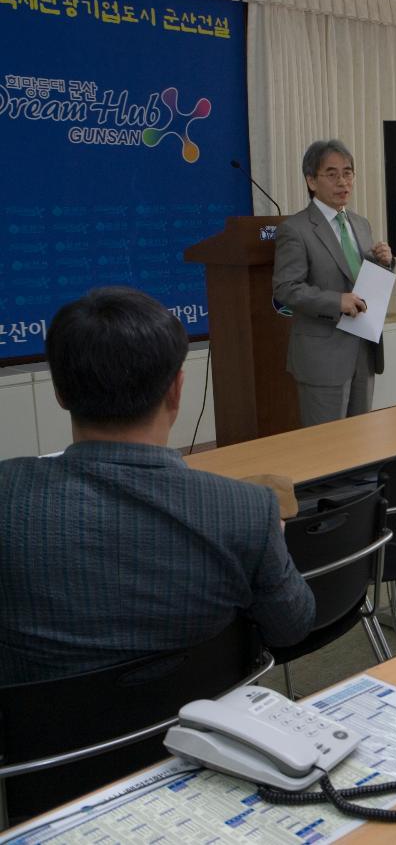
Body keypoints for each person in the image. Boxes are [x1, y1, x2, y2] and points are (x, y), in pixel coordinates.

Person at [0, 287, 315, 685]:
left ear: (60, 393)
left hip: (46, 745)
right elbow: (293, 628)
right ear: (176, 391)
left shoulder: (7, 496)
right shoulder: (248, 511)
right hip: (195, 734)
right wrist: (272, 549)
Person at [272, 139, 395, 427]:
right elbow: (285, 288)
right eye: (332, 174)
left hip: (363, 350)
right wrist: (335, 301)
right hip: (323, 357)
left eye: (348, 173)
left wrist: (385, 263)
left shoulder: (360, 224)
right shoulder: (295, 229)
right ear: (311, 181)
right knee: (327, 449)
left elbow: (363, 281)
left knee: (360, 443)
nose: (343, 182)